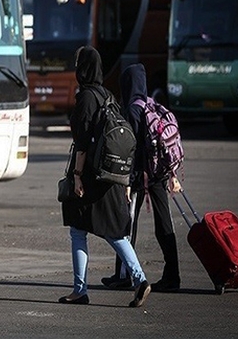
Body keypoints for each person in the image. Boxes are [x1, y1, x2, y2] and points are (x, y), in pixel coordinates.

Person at [59, 46, 151, 307]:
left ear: (83, 68)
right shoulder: (108, 95)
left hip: (90, 177)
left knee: (78, 231)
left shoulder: (86, 97)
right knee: (114, 233)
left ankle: (80, 289)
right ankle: (140, 278)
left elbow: (82, 143)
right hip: (112, 175)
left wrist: (77, 176)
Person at [101, 63, 181, 292]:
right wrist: (172, 174)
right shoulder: (152, 105)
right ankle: (172, 275)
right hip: (158, 173)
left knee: (127, 224)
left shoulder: (133, 110)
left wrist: (126, 180)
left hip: (138, 176)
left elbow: (131, 148)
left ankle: (123, 275)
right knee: (164, 223)